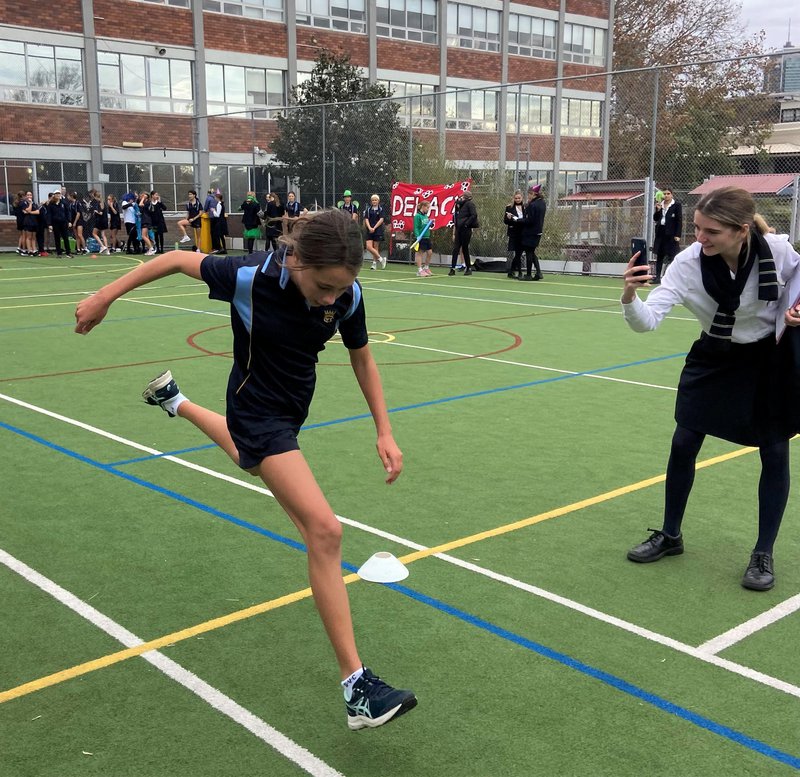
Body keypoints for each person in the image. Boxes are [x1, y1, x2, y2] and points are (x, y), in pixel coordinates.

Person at [74, 207, 417, 730]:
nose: (331, 299)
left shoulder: (348, 294)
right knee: (324, 532)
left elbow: (362, 356)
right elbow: (173, 260)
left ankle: (175, 401)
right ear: (297, 260)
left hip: (290, 410)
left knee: (246, 460)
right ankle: (357, 689)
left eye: (340, 289)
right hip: (256, 411)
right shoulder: (248, 277)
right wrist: (105, 296)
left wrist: (384, 430)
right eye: (323, 287)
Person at [621, 186, 800, 591]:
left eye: (711, 232)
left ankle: (763, 553)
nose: (700, 238)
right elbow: (647, 322)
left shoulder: (776, 250)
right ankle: (670, 535)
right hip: (714, 356)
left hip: (767, 359)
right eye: (697, 228)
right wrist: (630, 295)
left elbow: (799, 274)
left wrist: (795, 308)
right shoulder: (687, 265)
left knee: (774, 451)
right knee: (684, 442)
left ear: (741, 231)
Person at [652, 188, 683, 284]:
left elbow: (679, 220)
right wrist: (658, 210)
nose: (666, 195)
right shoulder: (660, 204)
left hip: (671, 234)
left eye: (668, 193)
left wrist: (678, 235)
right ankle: (657, 277)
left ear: (672, 195)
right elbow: (655, 218)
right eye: (664, 194)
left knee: (673, 256)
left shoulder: (676, 205)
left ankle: (671, 278)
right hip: (660, 233)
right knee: (659, 256)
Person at [518, 184, 545, 281]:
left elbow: (529, 220)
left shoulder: (532, 205)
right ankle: (538, 272)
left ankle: (529, 274)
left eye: (530, 194)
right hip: (538, 231)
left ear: (534, 194)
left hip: (530, 232)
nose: (528, 196)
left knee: (529, 252)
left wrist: (518, 220)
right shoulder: (542, 203)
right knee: (532, 252)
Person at [448, 191, 478, 277]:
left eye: (463, 197)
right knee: (456, 248)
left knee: (465, 248)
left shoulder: (470, 204)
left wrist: (466, 224)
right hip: (459, 229)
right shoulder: (459, 205)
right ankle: (452, 268)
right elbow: (456, 216)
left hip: (466, 229)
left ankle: (468, 268)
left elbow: (474, 215)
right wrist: (456, 226)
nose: (461, 198)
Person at [504, 190, 525, 279]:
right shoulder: (509, 207)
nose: (517, 200)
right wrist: (509, 218)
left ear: (522, 198)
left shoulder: (525, 207)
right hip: (514, 232)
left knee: (519, 253)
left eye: (519, 198)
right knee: (517, 252)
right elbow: (505, 221)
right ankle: (519, 272)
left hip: (523, 232)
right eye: (516, 198)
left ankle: (512, 270)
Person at [363, 194, 387, 270]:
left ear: (378, 201)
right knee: (369, 247)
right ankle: (381, 259)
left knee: (376, 247)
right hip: (369, 230)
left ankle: (374, 264)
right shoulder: (368, 209)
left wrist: (374, 227)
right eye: (373, 200)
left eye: (375, 200)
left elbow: (381, 219)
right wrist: (370, 227)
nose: (374, 201)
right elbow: (366, 219)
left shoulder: (381, 209)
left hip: (378, 230)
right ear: (371, 201)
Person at [47, 190, 72, 257]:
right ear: (54, 195)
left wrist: (69, 221)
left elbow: (68, 212)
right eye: (56, 194)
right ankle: (59, 253)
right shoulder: (51, 204)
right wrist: (49, 224)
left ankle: (68, 252)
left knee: (65, 237)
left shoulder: (64, 203)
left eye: (59, 194)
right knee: (57, 237)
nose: (58, 195)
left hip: (63, 222)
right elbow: (49, 214)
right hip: (55, 223)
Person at [413, 199, 434, 277]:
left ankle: (426, 268)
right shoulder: (417, 216)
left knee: (430, 252)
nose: (428, 209)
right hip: (421, 237)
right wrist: (418, 236)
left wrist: (430, 224)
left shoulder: (425, 216)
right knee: (420, 253)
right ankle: (419, 270)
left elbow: (426, 225)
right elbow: (416, 227)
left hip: (427, 237)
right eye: (427, 207)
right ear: (423, 207)